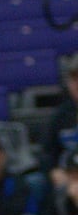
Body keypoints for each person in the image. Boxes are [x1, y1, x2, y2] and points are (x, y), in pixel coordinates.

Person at [39, 53, 78, 195]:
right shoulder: (60, 115)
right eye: (74, 78)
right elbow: (46, 153)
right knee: (38, 183)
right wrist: (53, 171)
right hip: (68, 177)